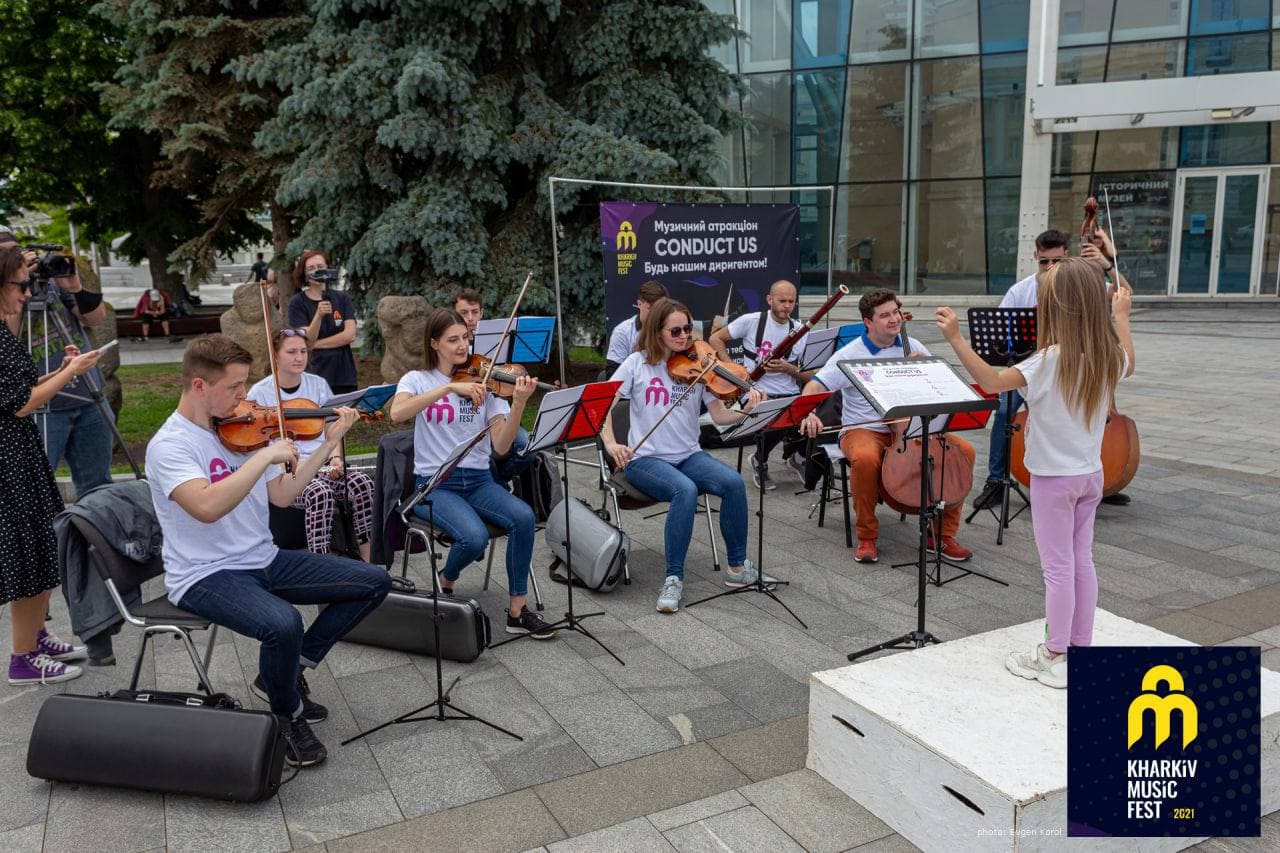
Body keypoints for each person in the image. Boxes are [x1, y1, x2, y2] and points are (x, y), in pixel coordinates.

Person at [146, 335, 391, 766]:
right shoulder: (171, 445)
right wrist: (263, 457)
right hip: (204, 574)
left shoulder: (238, 429)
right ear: (199, 385)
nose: (245, 396)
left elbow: (283, 495)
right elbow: (205, 507)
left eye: (244, 385)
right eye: (235, 387)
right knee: (283, 623)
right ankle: (286, 715)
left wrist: (331, 440)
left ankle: (289, 672)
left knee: (373, 580)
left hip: (262, 557)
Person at [935, 257, 1134, 688]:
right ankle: (1080, 647)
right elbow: (1129, 362)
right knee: (1082, 562)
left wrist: (955, 338)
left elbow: (990, 380)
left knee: (1058, 568)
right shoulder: (1107, 355)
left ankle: (1054, 653)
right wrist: (1121, 317)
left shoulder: (1046, 361)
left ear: (1056, 307)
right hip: (1090, 475)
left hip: (1053, 479)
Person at [389, 308, 558, 639]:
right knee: (474, 537)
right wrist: (449, 389)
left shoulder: (487, 382)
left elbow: (502, 445)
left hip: (479, 481)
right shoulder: (417, 380)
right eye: (453, 340)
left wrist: (520, 403)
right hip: (435, 485)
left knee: (523, 517)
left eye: (465, 338)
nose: (462, 345)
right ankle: (446, 579)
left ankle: (517, 611)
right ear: (434, 343)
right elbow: (397, 413)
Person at [602, 297, 777, 614]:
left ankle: (738, 570)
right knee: (685, 490)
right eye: (676, 331)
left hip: (688, 455)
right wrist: (612, 444)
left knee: (734, 484)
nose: (684, 336)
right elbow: (601, 408)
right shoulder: (636, 364)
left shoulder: (700, 364)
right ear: (657, 332)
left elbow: (721, 416)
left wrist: (747, 409)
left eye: (687, 329)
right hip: (646, 460)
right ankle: (673, 579)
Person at [798, 288, 976, 565]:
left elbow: (941, 386)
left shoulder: (913, 346)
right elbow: (816, 384)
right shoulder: (850, 354)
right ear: (868, 322)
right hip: (864, 427)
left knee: (964, 452)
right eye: (885, 315)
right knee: (866, 459)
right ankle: (867, 536)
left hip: (911, 426)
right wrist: (809, 411)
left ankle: (940, 535)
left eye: (895, 312)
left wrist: (927, 368)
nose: (894, 319)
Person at [974, 227, 1133, 509]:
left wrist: (1107, 263)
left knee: (1084, 413)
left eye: (1056, 261)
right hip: (1032, 366)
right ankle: (996, 480)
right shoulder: (1019, 291)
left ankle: (1095, 476)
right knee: (1004, 411)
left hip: (1071, 364)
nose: (1049, 267)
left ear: (1066, 256)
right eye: (1044, 261)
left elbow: (1124, 294)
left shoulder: (1079, 283)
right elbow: (998, 335)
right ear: (1036, 256)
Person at [1, 246, 101, 684]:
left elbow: (18, 386)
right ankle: (23, 658)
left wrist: (61, 370)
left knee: (42, 544)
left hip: (19, 454)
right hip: (9, 461)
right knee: (27, 553)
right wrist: (69, 372)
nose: (27, 292)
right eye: (20, 285)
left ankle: (36, 637)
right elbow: (20, 404)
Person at [0, 231, 114, 501]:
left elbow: (95, 318)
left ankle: (95, 538)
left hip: (88, 395)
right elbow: (9, 336)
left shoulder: (48, 282)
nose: (18, 257)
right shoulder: (11, 294)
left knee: (98, 484)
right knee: (33, 491)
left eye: (18, 250)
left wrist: (74, 287)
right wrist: (17, 284)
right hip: (39, 405)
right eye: (7, 254)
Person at [247, 328, 375, 561]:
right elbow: (256, 446)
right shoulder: (260, 393)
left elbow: (331, 430)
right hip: (286, 473)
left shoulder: (317, 384)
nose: (299, 357)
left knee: (361, 483)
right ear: (275, 356)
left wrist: (337, 459)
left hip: (322, 462)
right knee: (319, 492)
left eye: (303, 351)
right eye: (292, 352)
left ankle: (369, 562)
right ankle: (321, 564)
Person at [709, 279, 813, 491]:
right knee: (775, 413)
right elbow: (715, 339)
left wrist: (789, 368)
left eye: (791, 301)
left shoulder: (800, 330)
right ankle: (759, 459)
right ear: (769, 299)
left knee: (817, 412)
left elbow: (811, 376)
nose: (786, 306)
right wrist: (732, 369)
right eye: (782, 300)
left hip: (790, 392)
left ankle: (798, 456)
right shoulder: (752, 321)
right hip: (755, 392)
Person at [451, 287, 532, 484]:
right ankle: (493, 486)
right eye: (464, 313)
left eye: (475, 312)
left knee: (527, 447)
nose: (470, 318)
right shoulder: (452, 346)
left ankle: (500, 483)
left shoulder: (499, 340)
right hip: (469, 414)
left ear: (482, 313)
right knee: (486, 456)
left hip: (497, 411)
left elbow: (504, 376)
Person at [287, 251, 358, 394]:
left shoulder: (342, 298)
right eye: (311, 268)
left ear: (328, 268)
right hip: (315, 372)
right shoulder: (297, 303)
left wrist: (316, 345)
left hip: (344, 375)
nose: (317, 270)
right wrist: (318, 316)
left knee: (346, 415)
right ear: (304, 274)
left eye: (320, 266)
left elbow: (350, 335)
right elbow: (307, 340)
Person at [604, 280, 668, 374]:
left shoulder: (673, 328)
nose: (656, 314)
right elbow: (613, 374)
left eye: (660, 309)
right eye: (651, 308)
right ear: (639, 304)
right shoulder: (622, 331)